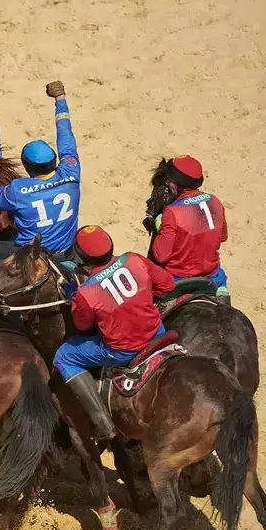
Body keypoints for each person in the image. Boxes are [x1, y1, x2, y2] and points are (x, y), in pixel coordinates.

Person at [53, 225, 175, 439]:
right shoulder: (134, 259)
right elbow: (167, 285)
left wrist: (75, 298)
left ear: (82, 260)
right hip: (157, 332)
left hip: (123, 350)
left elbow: (82, 325)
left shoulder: (86, 291)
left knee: (64, 356)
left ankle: (102, 423)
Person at [0, 80, 80, 273]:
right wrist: (60, 99)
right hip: (66, 253)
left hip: (31, 258)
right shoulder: (71, 172)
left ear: (27, 167)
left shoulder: (19, 190)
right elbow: (66, 137)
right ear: (54, 161)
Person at [147, 155, 230, 303]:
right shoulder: (215, 201)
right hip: (212, 275)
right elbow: (223, 237)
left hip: (177, 278)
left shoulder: (171, 213)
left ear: (178, 185)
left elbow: (161, 255)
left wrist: (160, 226)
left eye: (170, 180)